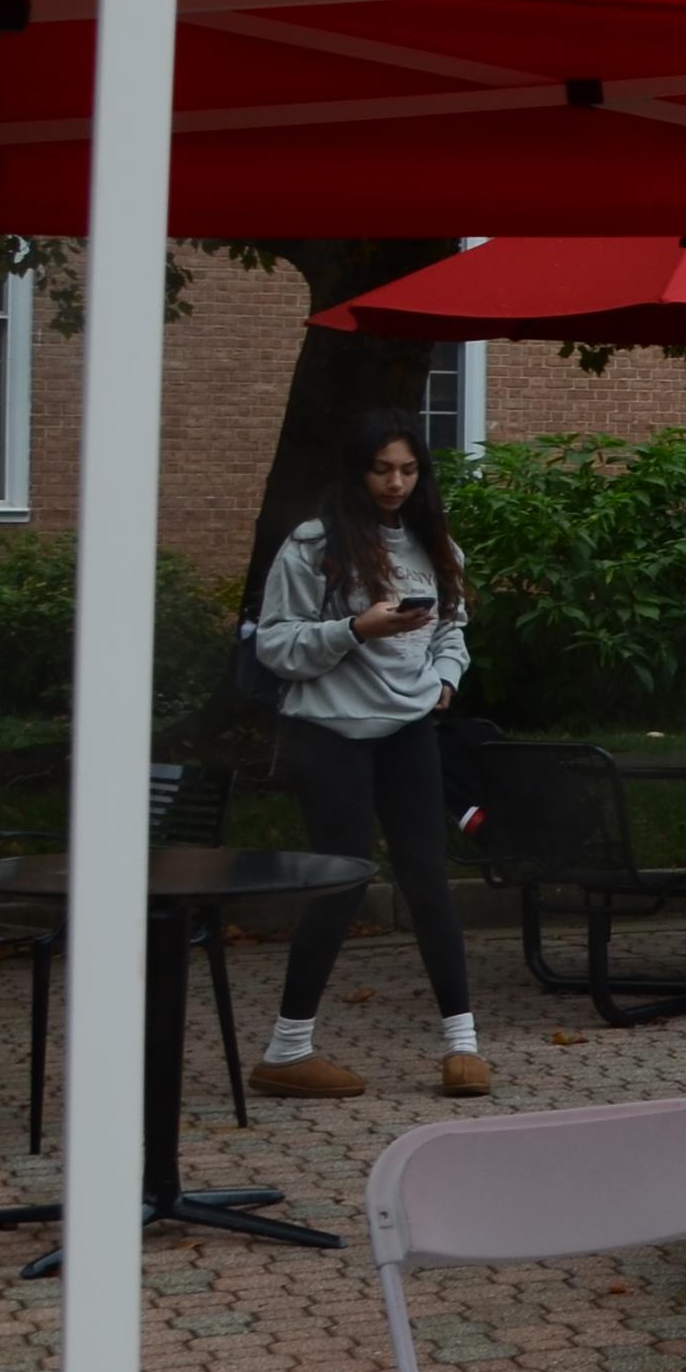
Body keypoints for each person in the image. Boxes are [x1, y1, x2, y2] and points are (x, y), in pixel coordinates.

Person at [246, 412, 487, 1098]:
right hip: (328, 729)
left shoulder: (435, 544)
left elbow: (454, 628)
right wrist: (355, 628)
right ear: (358, 470)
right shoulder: (313, 546)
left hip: (408, 726)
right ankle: (288, 1050)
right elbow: (275, 645)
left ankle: (462, 1045)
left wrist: (445, 677)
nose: (396, 483)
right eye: (383, 469)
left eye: (408, 470)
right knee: (343, 878)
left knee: (428, 878)